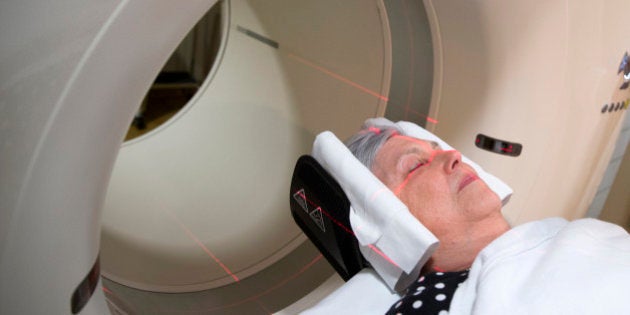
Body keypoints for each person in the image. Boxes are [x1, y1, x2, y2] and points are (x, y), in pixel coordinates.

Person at [344, 122, 630, 315]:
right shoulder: (432, 304)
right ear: (383, 219)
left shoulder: (583, 234)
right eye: (417, 164)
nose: (455, 155)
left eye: (440, 149)